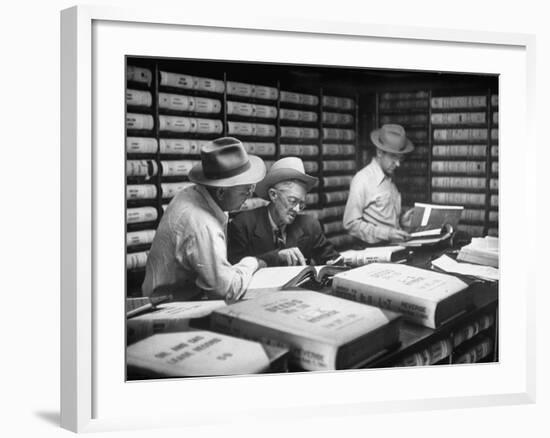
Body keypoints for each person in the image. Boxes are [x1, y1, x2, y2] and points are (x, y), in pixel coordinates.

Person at [142, 137, 267, 302]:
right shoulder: (204, 225)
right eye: (245, 190)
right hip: (166, 310)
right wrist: (253, 263)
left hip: (175, 298)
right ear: (221, 192)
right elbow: (226, 290)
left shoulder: (192, 194)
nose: (251, 193)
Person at [228, 157, 339, 266]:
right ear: (273, 195)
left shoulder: (309, 225)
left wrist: (346, 261)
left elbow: (333, 260)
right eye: (292, 201)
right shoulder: (243, 224)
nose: (297, 209)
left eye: (301, 204)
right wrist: (275, 257)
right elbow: (235, 271)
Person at [343, 124, 414, 244]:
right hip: (374, 251)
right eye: (393, 157)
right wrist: (386, 234)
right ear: (380, 152)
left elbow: (384, 217)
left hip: (395, 247)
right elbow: (350, 224)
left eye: (400, 158)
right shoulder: (362, 179)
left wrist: (403, 219)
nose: (398, 164)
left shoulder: (390, 177)